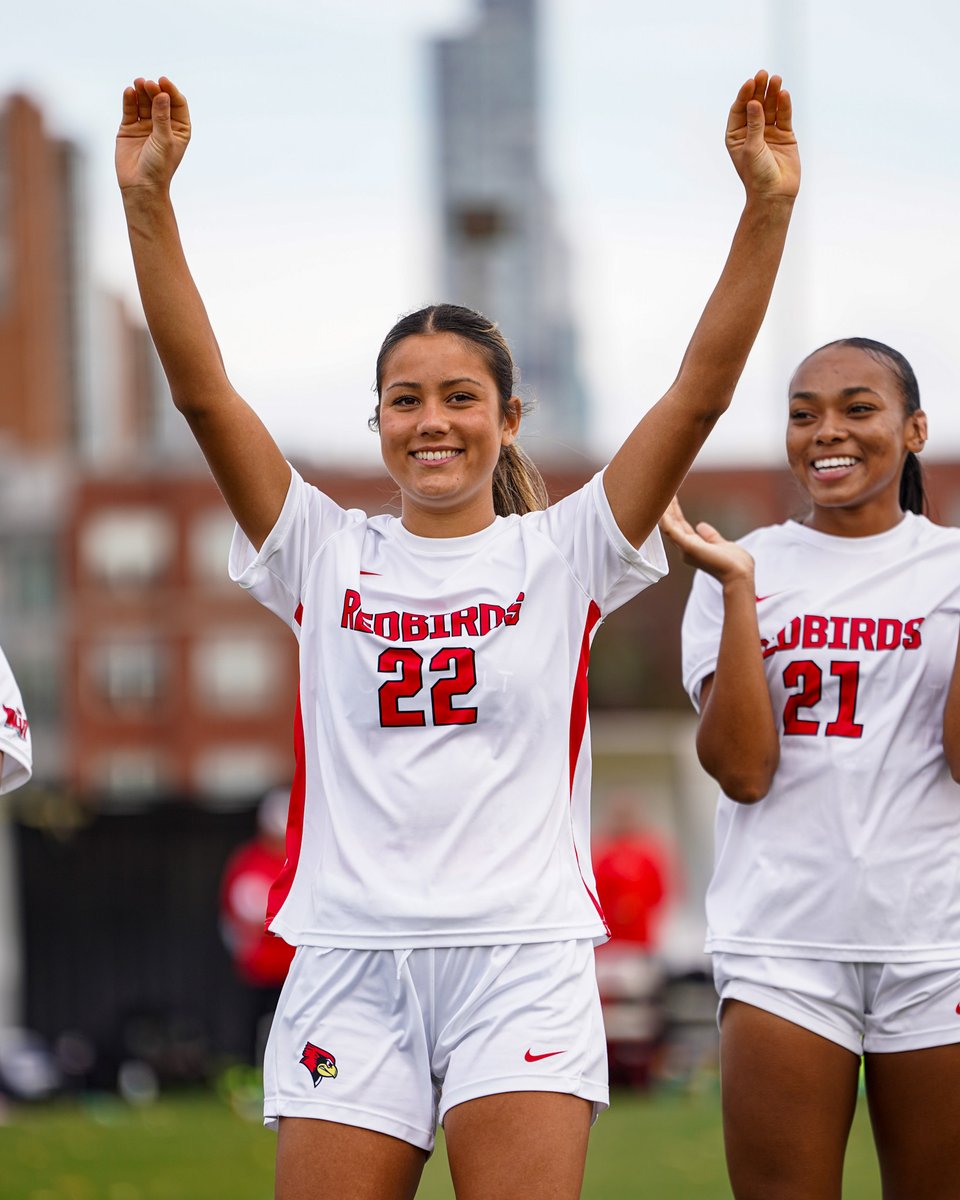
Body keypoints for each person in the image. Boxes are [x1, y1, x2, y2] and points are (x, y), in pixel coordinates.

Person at [116, 70, 799, 1200]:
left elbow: (698, 394)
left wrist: (764, 209)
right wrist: (150, 202)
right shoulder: (320, 553)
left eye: (459, 396)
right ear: (378, 421)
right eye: (404, 399)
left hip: (520, 966)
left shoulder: (566, 552)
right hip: (349, 962)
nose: (432, 420)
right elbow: (203, 395)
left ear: (508, 418)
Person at [663, 338, 960, 1200]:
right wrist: (740, 592)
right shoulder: (744, 564)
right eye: (803, 414)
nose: (826, 431)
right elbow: (743, 771)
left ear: (913, 431)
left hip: (936, 940)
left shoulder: (950, 567)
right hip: (783, 944)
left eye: (858, 409)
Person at [219, 786, 295, 1065]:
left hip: (297, 966)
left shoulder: (300, 861)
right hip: (263, 968)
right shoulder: (251, 862)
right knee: (257, 1025)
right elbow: (240, 914)